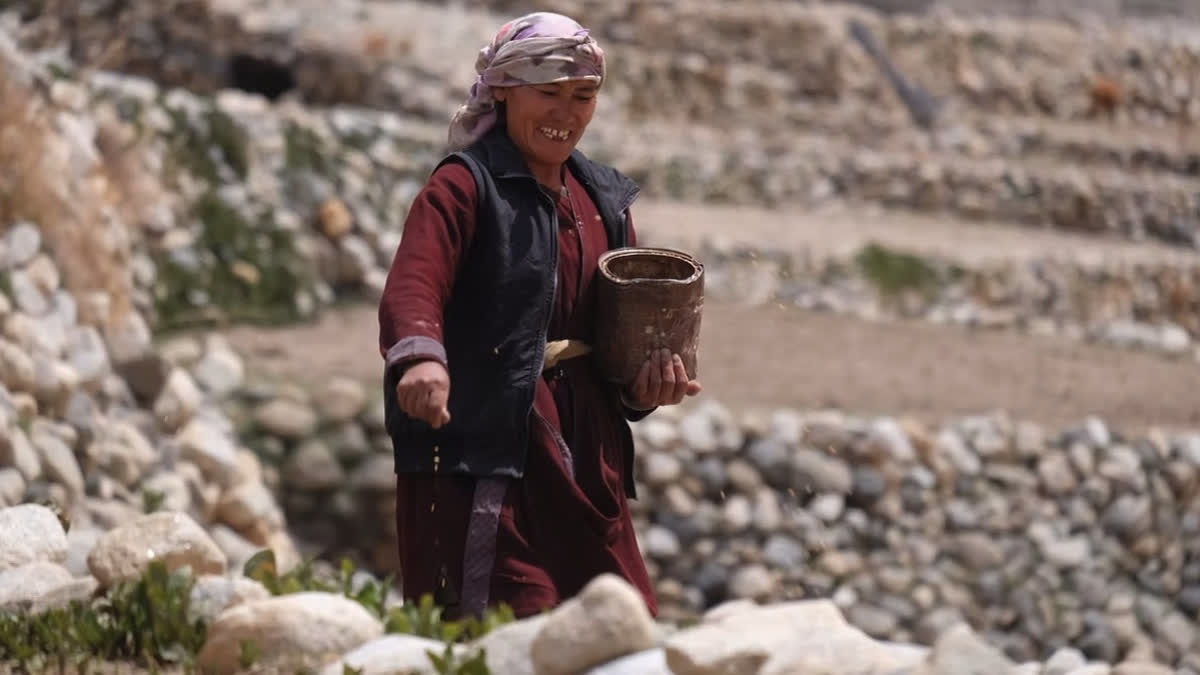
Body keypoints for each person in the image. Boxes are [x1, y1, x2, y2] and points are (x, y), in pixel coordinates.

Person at [377, 11, 701, 620]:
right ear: (502, 91)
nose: (567, 113)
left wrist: (647, 386)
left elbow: (618, 341)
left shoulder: (605, 203)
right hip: (490, 458)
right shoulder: (464, 187)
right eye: (548, 93)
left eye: (583, 96)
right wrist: (421, 358)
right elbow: (413, 284)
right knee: (502, 625)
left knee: (619, 627)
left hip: (587, 463)